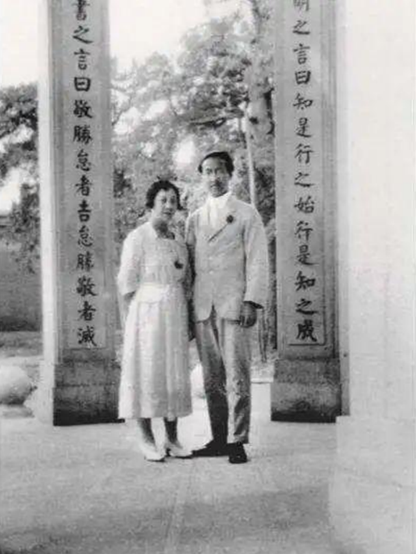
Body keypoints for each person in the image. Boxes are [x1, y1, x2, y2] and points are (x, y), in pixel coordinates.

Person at [186, 151, 269, 464]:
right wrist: (187, 310)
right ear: (202, 177)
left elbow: (258, 260)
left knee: (237, 375)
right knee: (212, 378)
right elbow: (189, 270)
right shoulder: (195, 219)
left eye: (219, 171)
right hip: (203, 307)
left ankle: (237, 440)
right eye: (207, 172)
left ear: (230, 174)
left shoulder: (246, 214)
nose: (214, 177)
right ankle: (219, 438)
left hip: (234, 305)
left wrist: (252, 301)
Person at [117, 180, 192, 462]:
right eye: (164, 200)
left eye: (173, 201)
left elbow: (185, 281)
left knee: (173, 373)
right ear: (151, 205)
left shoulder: (179, 242)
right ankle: (146, 438)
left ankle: (172, 438)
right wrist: (131, 324)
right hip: (146, 315)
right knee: (147, 372)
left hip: (174, 311)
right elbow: (126, 285)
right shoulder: (137, 238)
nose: (169, 206)